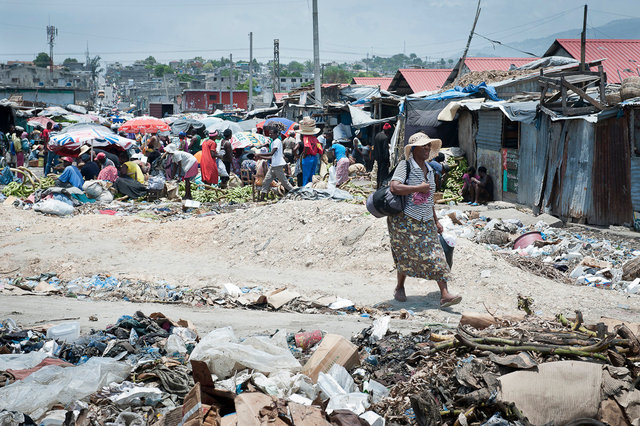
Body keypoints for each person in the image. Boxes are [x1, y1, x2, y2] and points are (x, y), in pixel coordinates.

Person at [387, 132, 461, 308]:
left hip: (426, 219)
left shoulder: (430, 170)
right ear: (414, 149)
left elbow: (429, 199)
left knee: (436, 254)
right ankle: (399, 287)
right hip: (405, 220)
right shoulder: (405, 166)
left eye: (429, 146)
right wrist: (416, 188)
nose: (427, 149)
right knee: (405, 255)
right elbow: (394, 186)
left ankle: (444, 294)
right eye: (424, 146)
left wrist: (436, 220)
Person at [258, 123, 295, 200]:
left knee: (285, 182)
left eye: (271, 134)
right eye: (269, 133)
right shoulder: (273, 142)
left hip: (278, 165)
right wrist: (261, 156)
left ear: (276, 134)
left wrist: (259, 154)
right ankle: (261, 198)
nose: (270, 135)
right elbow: (271, 156)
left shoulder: (277, 141)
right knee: (266, 181)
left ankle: (296, 193)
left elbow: (271, 153)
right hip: (273, 165)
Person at [298, 117, 322, 186]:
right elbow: (320, 148)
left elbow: (307, 146)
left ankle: (305, 188)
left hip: (308, 158)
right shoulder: (315, 138)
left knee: (305, 175)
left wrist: (305, 154)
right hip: (314, 157)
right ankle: (312, 187)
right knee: (312, 175)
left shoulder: (306, 137)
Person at [374, 122, 393, 188]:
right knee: (383, 174)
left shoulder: (377, 135)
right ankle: (382, 187)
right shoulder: (385, 138)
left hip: (378, 158)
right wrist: (388, 161)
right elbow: (386, 151)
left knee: (378, 173)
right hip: (383, 159)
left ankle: (378, 186)